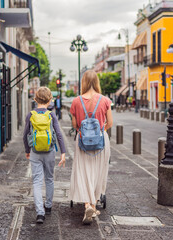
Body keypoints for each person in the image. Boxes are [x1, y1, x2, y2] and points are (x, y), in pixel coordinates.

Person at [69, 70, 113, 225]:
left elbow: (75, 125)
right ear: (97, 82)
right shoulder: (105, 100)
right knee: (99, 172)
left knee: (83, 171)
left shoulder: (76, 101)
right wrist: (100, 132)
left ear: (84, 82)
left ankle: (86, 204)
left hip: (82, 141)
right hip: (101, 142)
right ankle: (93, 205)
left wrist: (84, 132)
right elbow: (110, 123)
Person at [23, 87, 66, 224]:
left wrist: (27, 150)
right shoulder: (51, 115)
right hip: (50, 151)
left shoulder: (30, 114)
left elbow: (25, 135)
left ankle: (40, 213)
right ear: (49, 100)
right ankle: (48, 206)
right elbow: (58, 134)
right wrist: (63, 152)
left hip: (35, 151)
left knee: (36, 181)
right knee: (49, 179)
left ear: (35, 99)